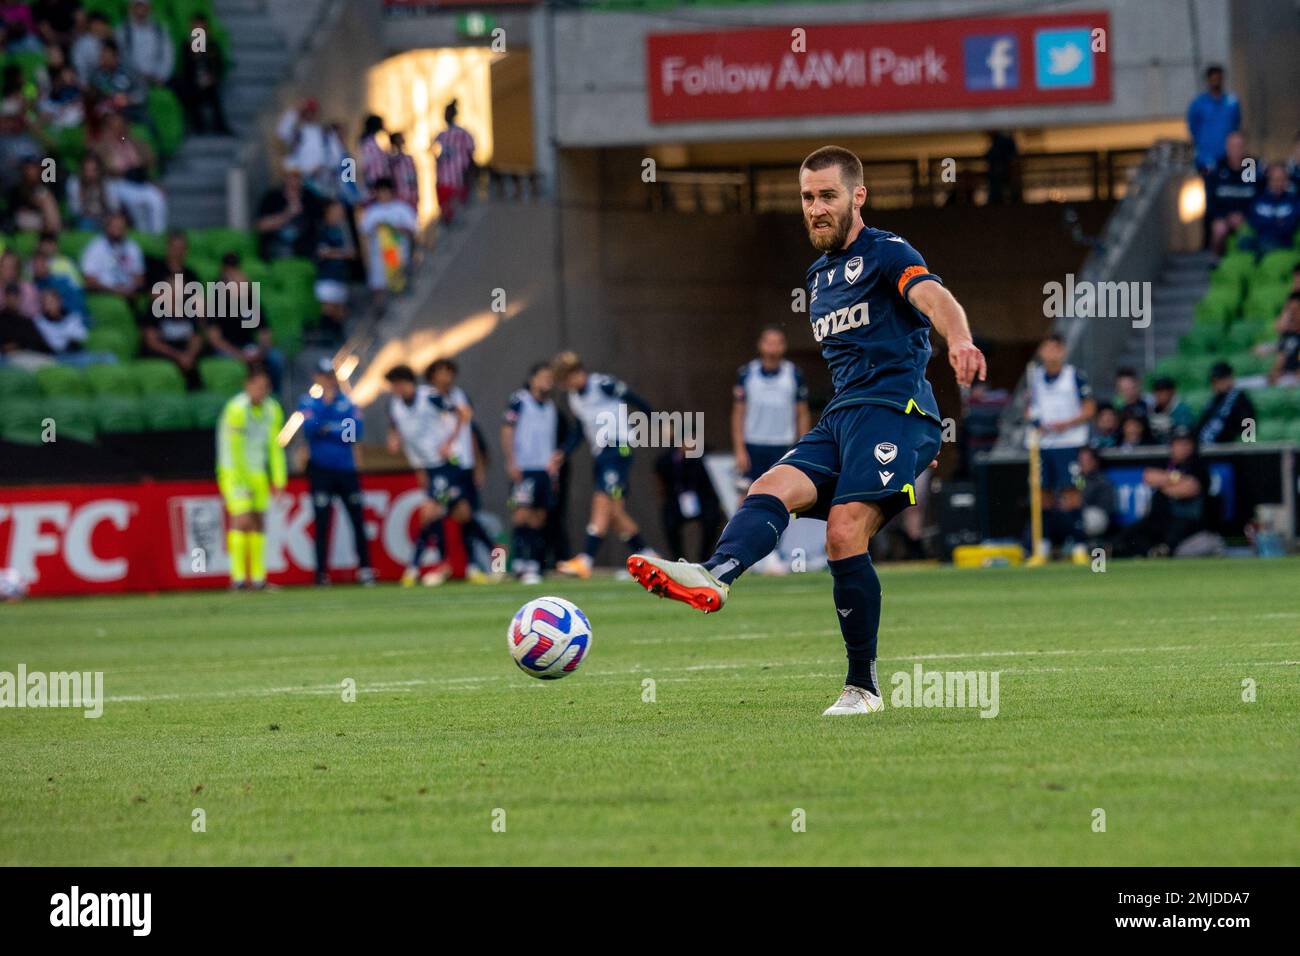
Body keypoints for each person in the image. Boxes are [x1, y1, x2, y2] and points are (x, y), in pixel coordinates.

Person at [626, 145, 986, 717]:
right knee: (769, 488)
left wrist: (959, 340)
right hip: (843, 417)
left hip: (897, 411)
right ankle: (714, 575)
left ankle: (862, 687)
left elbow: (935, 298)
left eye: (827, 196)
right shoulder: (818, 278)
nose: (815, 208)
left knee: (844, 532)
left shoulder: (888, 252)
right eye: (806, 198)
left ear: (857, 196)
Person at [552, 351, 657, 579]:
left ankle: (586, 560)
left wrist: (659, 421)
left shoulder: (603, 384)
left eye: (574, 374)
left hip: (617, 448)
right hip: (600, 453)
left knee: (601, 501)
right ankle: (651, 560)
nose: (572, 380)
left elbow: (635, 399)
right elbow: (580, 429)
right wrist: (564, 452)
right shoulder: (574, 398)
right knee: (615, 513)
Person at [299, 358, 374, 587]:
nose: (328, 380)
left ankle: (365, 570)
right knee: (322, 523)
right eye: (323, 375)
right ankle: (321, 573)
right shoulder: (309, 402)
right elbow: (310, 431)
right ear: (316, 377)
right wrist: (333, 421)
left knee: (357, 521)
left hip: (346, 469)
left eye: (330, 375)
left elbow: (354, 433)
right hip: (321, 470)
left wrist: (327, 428)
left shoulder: (348, 402)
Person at [384, 364, 458, 588]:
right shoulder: (396, 406)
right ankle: (446, 565)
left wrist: (449, 442)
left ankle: (414, 567)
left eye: (399, 385)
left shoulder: (430, 397)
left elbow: (460, 415)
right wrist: (394, 438)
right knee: (450, 515)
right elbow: (395, 428)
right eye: (393, 386)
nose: (396, 390)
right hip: (427, 467)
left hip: (447, 464)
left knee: (430, 513)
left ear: (409, 383)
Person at [426, 359, 498, 582]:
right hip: (444, 466)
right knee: (440, 512)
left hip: (464, 465)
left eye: (449, 372)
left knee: (465, 516)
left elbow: (471, 431)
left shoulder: (460, 396)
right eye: (441, 372)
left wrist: (478, 466)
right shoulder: (427, 398)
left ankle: (474, 565)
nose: (446, 377)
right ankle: (457, 563)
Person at [217, 364, 286, 591]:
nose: (262, 391)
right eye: (257, 386)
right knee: (242, 520)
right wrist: (242, 481)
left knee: (258, 522)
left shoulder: (273, 409)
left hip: (258, 472)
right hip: (234, 472)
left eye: (266, 387)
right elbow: (234, 450)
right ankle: (237, 578)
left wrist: (278, 478)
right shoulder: (236, 409)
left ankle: (258, 579)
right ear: (247, 386)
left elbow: (274, 447)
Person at [502, 362, 562, 585]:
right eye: (544, 376)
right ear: (533, 379)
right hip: (524, 467)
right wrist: (512, 461)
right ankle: (519, 563)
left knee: (540, 517)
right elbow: (507, 430)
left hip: (544, 469)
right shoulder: (520, 400)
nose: (548, 381)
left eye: (550, 377)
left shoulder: (551, 407)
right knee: (521, 514)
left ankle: (535, 564)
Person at [732, 325, 811, 487]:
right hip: (753, 444)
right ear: (760, 345)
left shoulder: (794, 374)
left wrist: (803, 448)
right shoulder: (747, 373)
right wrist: (739, 449)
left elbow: (802, 414)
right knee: (746, 492)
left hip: (783, 444)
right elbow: (738, 414)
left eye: (777, 343)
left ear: (784, 346)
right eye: (769, 342)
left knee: (783, 492)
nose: (773, 347)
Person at [1116, 428, 1211, 558]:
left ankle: (1162, 552)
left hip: (1185, 518)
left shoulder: (1198, 466)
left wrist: (1164, 484)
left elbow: (1190, 488)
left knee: (1175, 533)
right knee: (1132, 533)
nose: (1181, 448)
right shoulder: (1164, 462)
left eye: (1185, 444)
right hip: (1158, 518)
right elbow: (1148, 476)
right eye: (1177, 444)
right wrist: (1177, 479)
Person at [1026, 333, 1095, 508]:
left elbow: (1089, 408)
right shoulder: (1035, 378)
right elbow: (1029, 408)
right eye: (1046, 348)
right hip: (1044, 443)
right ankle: (1047, 531)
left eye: (1054, 349)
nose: (1049, 353)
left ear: (1062, 351)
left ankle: (1074, 529)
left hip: (1070, 441)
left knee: (1070, 487)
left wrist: (1067, 423)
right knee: (1042, 489)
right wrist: (1037, 423)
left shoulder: (1074, 376)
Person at [654, 433, 722, 563]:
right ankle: (680, 559)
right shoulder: (666, 460)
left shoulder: (705, 457)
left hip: (702, 499)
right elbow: (659, 483)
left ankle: (705, 558)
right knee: (669, 522)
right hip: (677, 499)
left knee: (713, 519)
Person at [359, 177, 417, 310]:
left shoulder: (402, 209)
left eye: (385, 191)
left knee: (398, 282)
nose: (383, 195)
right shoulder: (371, 212)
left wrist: (395, 228)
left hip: (398, 253)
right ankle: (380, 311)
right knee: (379, 285)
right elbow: (365, 232)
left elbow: (412, 229)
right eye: (380, 192)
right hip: (378, 255)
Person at [175, 12, 230, 135]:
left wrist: (212, 77)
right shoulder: (186, 45)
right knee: (191, 91)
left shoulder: (212, 45)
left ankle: (220, 125)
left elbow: (218, 66)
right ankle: (198, 126)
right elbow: (185, 68)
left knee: (213, 92)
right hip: (192, 82)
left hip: (209, 82)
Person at [256, 165, 323, 260]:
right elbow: (261, 226)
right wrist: (287, 214)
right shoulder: (272, 197)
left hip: (305, 250)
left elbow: (322, 221)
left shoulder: (309, 198)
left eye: (297, 177)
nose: (293, 181)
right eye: (290, 177)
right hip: (276, 247)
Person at [1207, 132, 1258, 255]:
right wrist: (1225, 216)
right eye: (1232, 146)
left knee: (1249, 231)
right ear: (1227, 147)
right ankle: (1216, 262)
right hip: (1224, 218)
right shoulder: (1217, 168)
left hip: (1248, 218)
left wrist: (1244, 216)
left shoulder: (1251, 167)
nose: (1236, 150)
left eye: (1239, 146)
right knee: (1219, 229)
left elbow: (1258, 197)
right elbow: (1211, 201)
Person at [1187, 65, 1241, 175]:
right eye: (1213, 79)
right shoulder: (1198, 104)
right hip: (1205, 159)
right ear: (1208, 80)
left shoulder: (1232, 102)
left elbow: (1236, 126)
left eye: (1218, 78)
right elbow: (1193, 128)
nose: (1216, 82)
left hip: (1228, 160)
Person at [313, 200, 354, 343]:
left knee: (339, 311)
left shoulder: (342, 230)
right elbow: (322, 252)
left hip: (340, 275)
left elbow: (351, 252)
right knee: (328, 308)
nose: (339, 214)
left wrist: (340, 253)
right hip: (326, 275)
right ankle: (325, 338)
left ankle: (339, 340)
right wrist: (342, 253)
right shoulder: (323, 229)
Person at [79, 212, 144, 297]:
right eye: (114, 227)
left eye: (120, 227)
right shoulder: (95, 248)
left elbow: (140, 278)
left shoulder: (132, 247)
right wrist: (115, 291)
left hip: (129, 293)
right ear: (106, 227)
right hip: (105, 293)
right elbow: (89, 280)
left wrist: (131, 289)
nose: (117, 231)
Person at [432, 101, 475, 225]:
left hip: (458, 181)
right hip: (443, 182)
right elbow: (434, 154)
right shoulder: (441, 135)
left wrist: (469, 178)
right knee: (446, 214)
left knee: (458, 214)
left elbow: (471, 157)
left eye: (447, 113)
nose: (445, 116)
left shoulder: (464, 134)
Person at [115, 0, 174, 87]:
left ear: (149, 9)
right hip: (131, 81)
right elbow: (122, 58)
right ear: (131, 9)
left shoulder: (160, 29)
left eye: (143, 8)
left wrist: (161, 76)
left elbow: (168, 55)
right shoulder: (122, 31)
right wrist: (138, 77)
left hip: (158, 80)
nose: (140, 11)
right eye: (137, 7)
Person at [1245, 164, 1299, 257]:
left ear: (1287, 181)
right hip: (1259, 239)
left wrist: (1267, 223)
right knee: (1244, 243)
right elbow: (1254, 223)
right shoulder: (1259, 199)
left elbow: (1289, 226)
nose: (1278, 183)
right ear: (1268, 181)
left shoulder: (1294, 201)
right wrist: (1277, 222)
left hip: (1283, 243)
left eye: (1281, 179)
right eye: (1274, 179)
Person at [1197, 360, 1256, 444]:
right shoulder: (1213, 401)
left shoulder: (1241, 400)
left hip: (1227, 450)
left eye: (1221, 379)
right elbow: (1201, 426)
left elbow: (1249, 429)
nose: (1217, 384)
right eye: (1214, 381)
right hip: (1207, 448)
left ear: (1230, 378)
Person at [1148, 377, 1196, 443]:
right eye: (1157, 391)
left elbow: (1185, 435)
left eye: (1162, 391)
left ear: (1172, 391)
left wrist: (1171, 426)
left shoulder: (1182, 411)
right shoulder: (1153, 410)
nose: (1159, 395)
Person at [1267, 292, 1300, 386]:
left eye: (1296, 310)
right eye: (1291, 310)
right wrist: (1273, 375)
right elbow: (1280, 361)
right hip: (1289, 379)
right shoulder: (1288, 335)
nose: (1293, 315)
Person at [389, 131, 418, 212]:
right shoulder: (391, 159)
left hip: (412, 195)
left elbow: (414, 176)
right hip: (399, 195)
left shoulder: (408, 158)